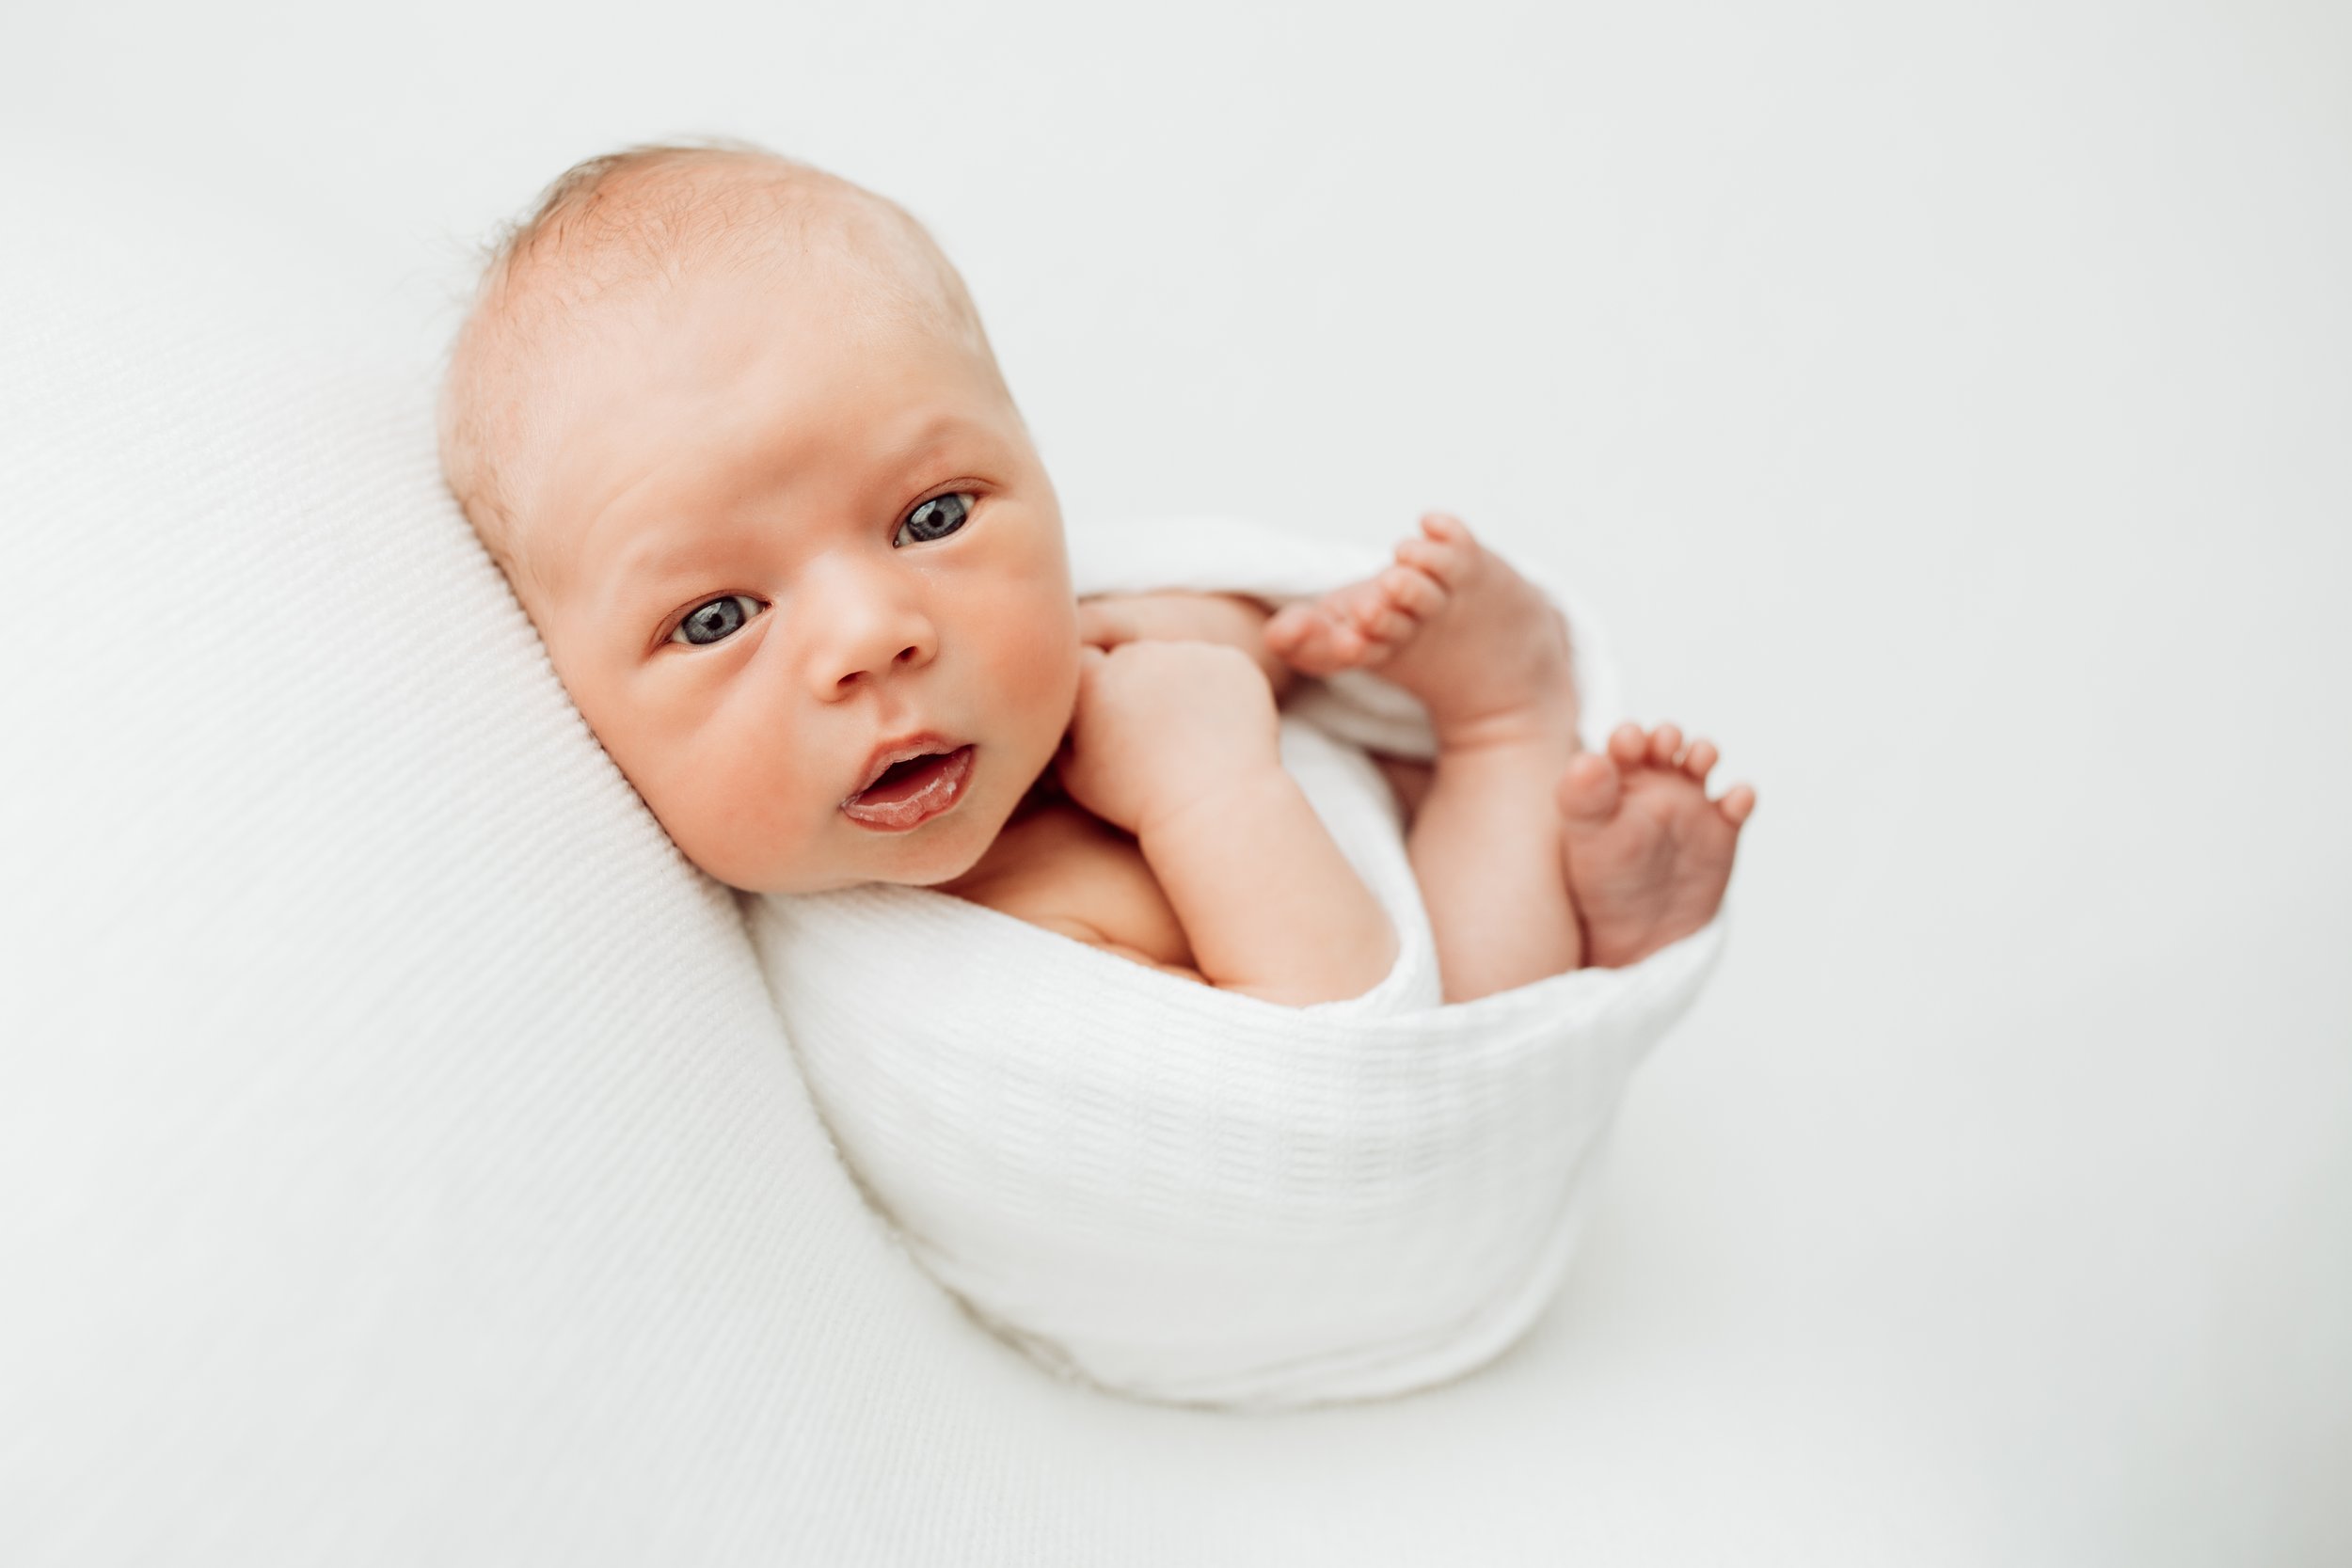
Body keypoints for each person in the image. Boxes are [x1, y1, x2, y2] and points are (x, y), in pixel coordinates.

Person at [437, 141, 1753, 1007]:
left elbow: (1209, 642)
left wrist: (1275, 638)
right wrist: (1208, 789)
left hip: (1343, 829)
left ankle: (1486, 751)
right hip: (1410, 1044)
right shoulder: (940, 989)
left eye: (934, 515)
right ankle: (1507, 737)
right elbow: (1343, 1076)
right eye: (718, 616)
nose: (874, 632)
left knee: (1205, 654)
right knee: (1486, 981)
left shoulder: (1063, 658)